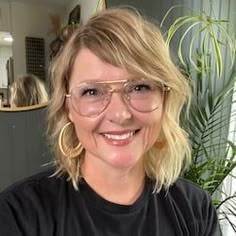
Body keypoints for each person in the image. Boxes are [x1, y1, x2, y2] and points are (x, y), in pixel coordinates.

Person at [0, 7, 222, 236]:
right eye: (92, 91)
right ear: (68, 108)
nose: (120, 114)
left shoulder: (195, 211)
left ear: (165, 99)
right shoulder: (18, 216)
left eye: (139, 87)